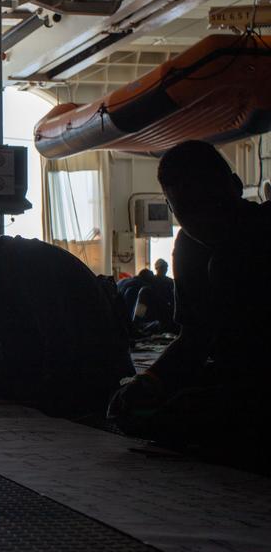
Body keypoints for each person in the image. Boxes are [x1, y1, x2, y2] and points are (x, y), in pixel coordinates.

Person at [108, 141, 271, 461]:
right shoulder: (188, 249)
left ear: (236, 187)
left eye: (210, 205)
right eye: (188, 212)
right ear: (171, 210)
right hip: (235, 377)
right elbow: (195, 339)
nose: (203, 222)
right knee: (146, 409)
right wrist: (149, 382)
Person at [0, 204, 134, 418]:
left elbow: (48, 355)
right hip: (74, 380)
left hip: (94, 388)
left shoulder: (29, 271)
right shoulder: (7, 266)